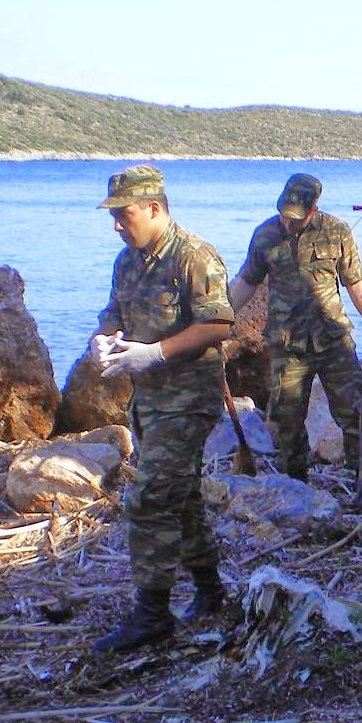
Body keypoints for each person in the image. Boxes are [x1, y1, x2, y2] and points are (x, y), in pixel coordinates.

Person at [89, 164, 235, 654]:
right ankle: (212, 592)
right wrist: (104, 339)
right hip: (148, 402)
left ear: (154, 208)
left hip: (189, 401)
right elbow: (114, 309)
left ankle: (153, 615)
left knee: (149, 499)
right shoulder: (127, 261)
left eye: (123, 215)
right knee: (181, 495)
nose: (116, 226)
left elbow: (218, 324)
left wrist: (156, 352)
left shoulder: (194, 256)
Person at [230, 173, 362, 479]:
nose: (288, 223)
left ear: (313, 208)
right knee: (287, 420)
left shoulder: (336, 231)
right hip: (287, 345)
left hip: (333, 340)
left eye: (296, 218)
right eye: (284, 215)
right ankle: (294, 484)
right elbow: (246, 283)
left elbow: (355, 284)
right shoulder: (265, 235)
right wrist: (218, 320)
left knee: (354, 412)